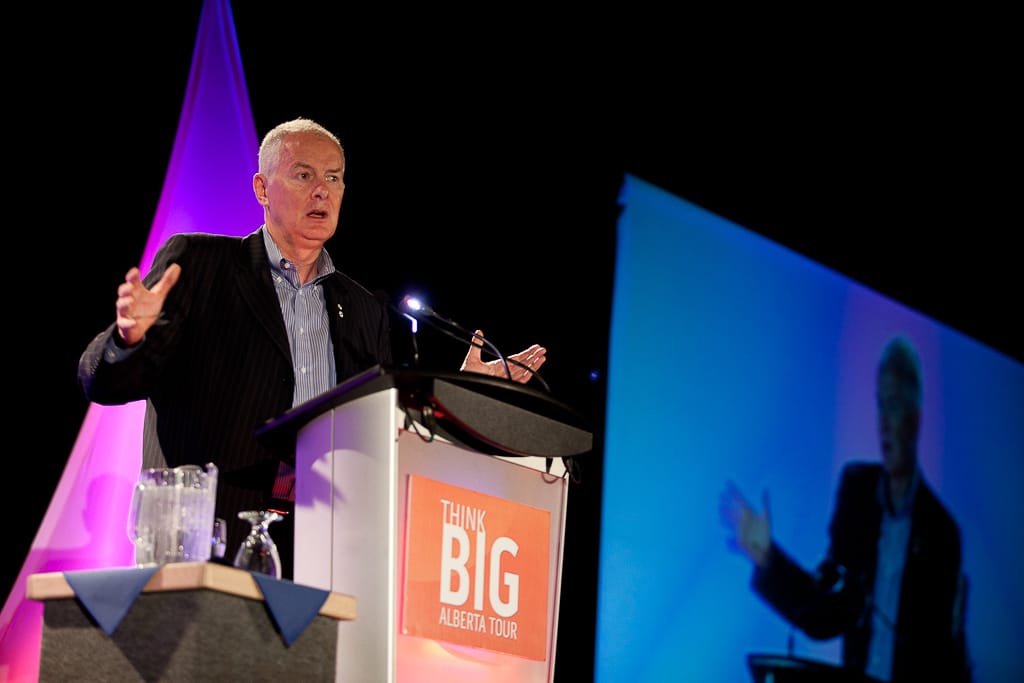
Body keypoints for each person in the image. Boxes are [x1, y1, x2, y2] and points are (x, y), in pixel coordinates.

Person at [79, 117, 547, 579]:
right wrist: (129, 338)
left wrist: (456, 399)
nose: (322, 190)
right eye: (303, 175)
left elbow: (382, 430)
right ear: (262, 189)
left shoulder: (363, 308)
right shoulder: (200, 264)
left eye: (334, 178)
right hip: (208, 541)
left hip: (324, 548)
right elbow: (105, 383)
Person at [718, 336, 971, 683]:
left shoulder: (942, 532)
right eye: (880, 405)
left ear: (915, 420)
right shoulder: (857, 492)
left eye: (893, 405)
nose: (883, 423)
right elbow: (825, 613)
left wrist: (955, 641)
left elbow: (939, 657)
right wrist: (768, 559)